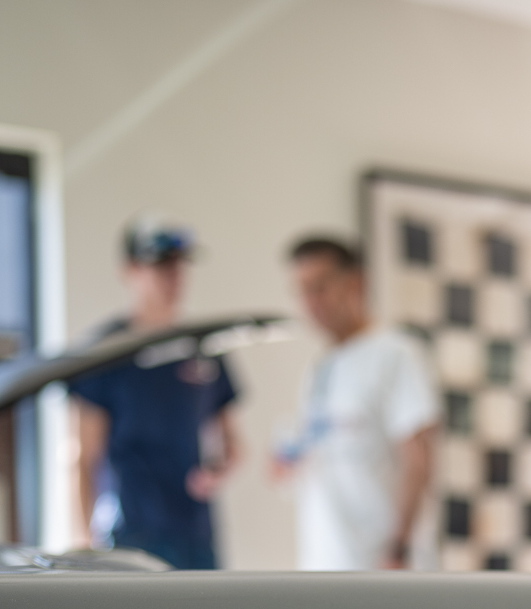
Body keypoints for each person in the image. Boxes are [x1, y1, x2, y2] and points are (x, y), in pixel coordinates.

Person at [69, 218, 242, 569]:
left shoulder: (205, 348)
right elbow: (84, 459)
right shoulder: (105, 353)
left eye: (179, 266)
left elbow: (233, 445)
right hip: (130, 533)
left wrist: (217, 471)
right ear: (130, 269)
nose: (173, 276)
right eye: (161, 265)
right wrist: (84, 543)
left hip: (196, 532)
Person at [276, 236, 438, 571]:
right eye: (302, 290)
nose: (310, 302)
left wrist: (399, 549)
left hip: (380, 569)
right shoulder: (319, 369)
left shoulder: (395, 355)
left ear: (355, 283)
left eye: (319, 287)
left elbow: (419, 459)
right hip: (324, 565)